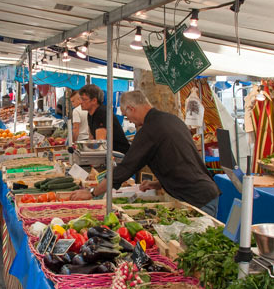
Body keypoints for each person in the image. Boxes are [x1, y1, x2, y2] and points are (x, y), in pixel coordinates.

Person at [70, 90, 220, 216]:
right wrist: (158, 184)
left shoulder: (149, 130)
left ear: (131, 108)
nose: (131, 121)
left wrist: (92, 192)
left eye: (127, 116)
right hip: (205, 192)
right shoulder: (171, 120)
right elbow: (180, 162)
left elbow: (125, 168)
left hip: (198, 199)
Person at [78, 84, 130, 154]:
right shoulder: (90, 114)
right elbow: (92, 138)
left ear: (94, 100)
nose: (81, 102)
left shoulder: (101, 113)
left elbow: (100, 144)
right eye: (81, 99)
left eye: (84, 99)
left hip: (119, 155)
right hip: (110, 154)